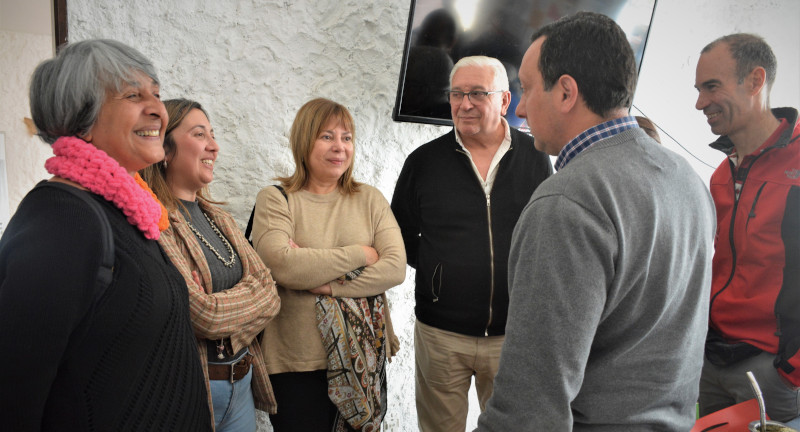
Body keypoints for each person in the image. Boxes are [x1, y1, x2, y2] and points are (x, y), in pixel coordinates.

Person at [476, 12, 716, 431]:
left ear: (566, 92)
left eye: (528, 89)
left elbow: (529, 410)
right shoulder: (687, 178)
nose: (519, 106)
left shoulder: (566, 203)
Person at [0, 39, 211, 431]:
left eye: (156, 93)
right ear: (81, 118)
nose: (157, 109)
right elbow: (13, 394)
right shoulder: (62, 221)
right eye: (133, 94)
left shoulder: (128, 210)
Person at [391, 55, 552, 432]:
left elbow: (546, 237)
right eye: (457, 94)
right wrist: (439, 270)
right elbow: (398, 235)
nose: (464, 104)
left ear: (504, 101)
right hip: (441, 334)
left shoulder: (536, 158)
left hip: (512, 336)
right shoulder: (423, 162)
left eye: (477, 93)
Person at [250, 97, 406, 431]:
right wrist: (362, 255)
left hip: (364, 359)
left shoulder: (370, 199)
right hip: (296, 363)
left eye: (346, 138)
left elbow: (394, 268)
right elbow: (282, 265)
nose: (339, 147)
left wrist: (328, 285)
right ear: (304, 141)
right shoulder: (277, 199)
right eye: (327, 136)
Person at [140, 99, 281, 431]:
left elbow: (271, 295)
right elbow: (203, 315)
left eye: (212, 135)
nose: (214, 147)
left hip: (242, 384)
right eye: (199, 134)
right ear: (166, 148)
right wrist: (248, 296)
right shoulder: (154, 220)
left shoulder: (221, 219)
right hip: (194, 387)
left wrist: (223, 304)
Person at [695, 33, 800, 422]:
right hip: (712, 361)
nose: (699, 102)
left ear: (755, 81)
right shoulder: (722, 173)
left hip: (773, 372)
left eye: (711, 87)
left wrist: (792, 370)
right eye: (698, 89)